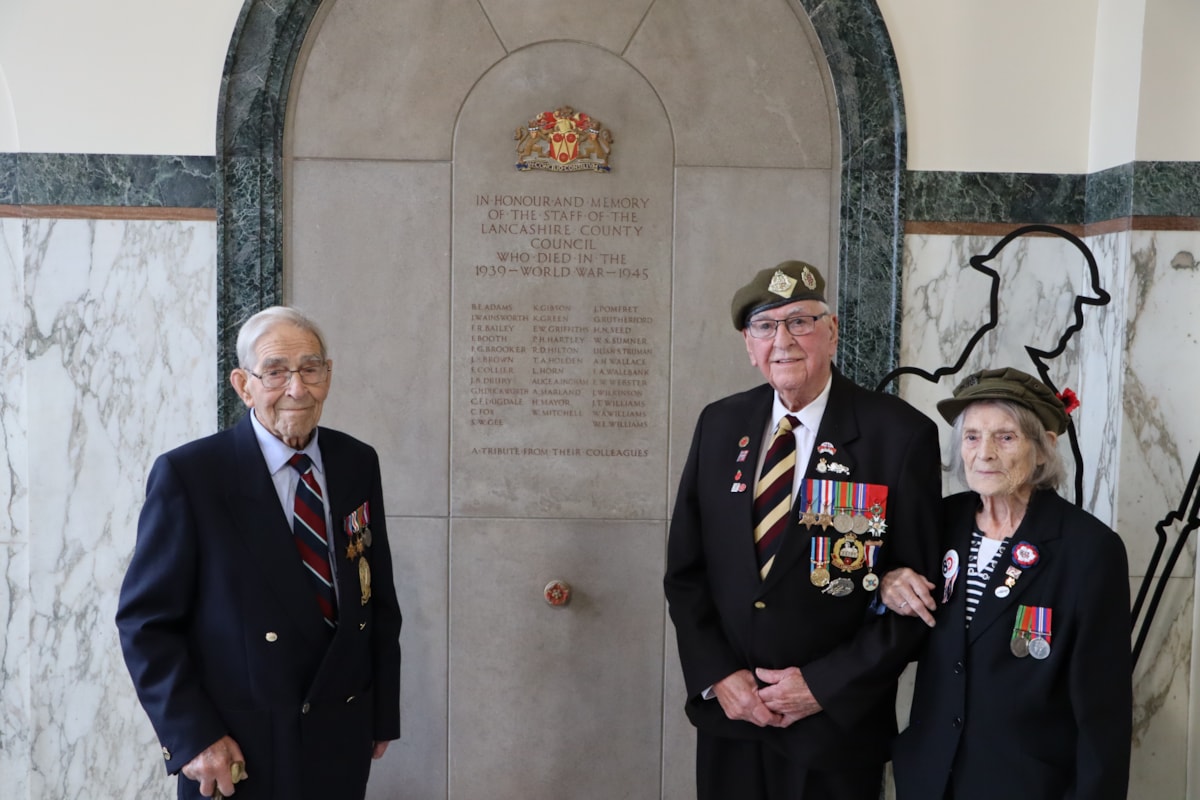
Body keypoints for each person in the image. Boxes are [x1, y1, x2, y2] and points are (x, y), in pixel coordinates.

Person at [663, 260, 943, 799]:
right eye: (766, 326)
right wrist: (718, 675)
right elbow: (686, 573)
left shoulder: (898, 435)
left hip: (834, 732)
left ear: (832, 332)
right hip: (734, 720)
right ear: (749, 345)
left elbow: (918, 601)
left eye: (800, 322)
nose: (783, 340)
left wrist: (821, 687)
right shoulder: (719, 424)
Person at [116, 306, 402, 800]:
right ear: (243, 385)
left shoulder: (357, 461)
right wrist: (193, 736)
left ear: (328, 376)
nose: (297, 388)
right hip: (236, 749)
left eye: (310, 369)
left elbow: (376, 599)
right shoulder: (191, 475)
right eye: (275, 372)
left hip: (340, 735)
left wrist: (381, 714)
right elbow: (146, 623)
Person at [881, 367, 1132, 800]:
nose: (984, 453)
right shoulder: (939, 522)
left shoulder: (1089, 549)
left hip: (1028, 785)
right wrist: (888, 581)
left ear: (1043, 449)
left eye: (1006, 437)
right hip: (931, 781)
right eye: (972, 437)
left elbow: (1103, 713)